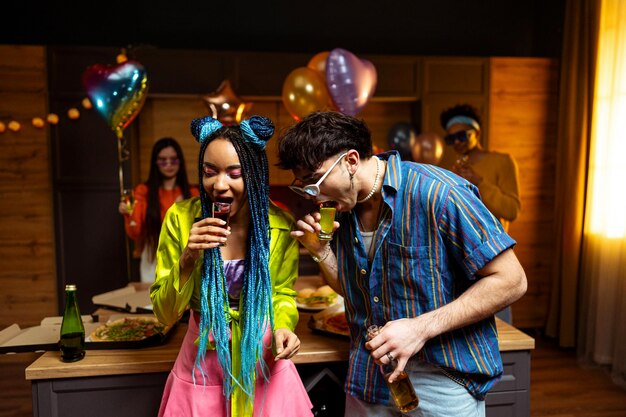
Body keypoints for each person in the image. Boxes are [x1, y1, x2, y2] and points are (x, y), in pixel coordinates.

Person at [277, 111, 527, 417]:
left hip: (442, 382)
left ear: (351, 161)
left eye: (315, 181)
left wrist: (420, 328)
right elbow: (354, 290)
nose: (314, 197)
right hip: (367, 380)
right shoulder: (341, 209)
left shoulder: (440, 194)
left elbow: (512, 280)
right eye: (303, 187)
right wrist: (322, 252)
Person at [150, 115, 313, 417]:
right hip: (202, 367)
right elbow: (164, 314)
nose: (219, 185)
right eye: (209, 172)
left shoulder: (278, 225)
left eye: (234, 173)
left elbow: (281, 294)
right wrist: (188, 258)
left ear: (253, 174)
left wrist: (284, 327)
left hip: (264, 364)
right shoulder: (180, 219)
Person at [118, 137, 199, 282]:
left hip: (186, 256)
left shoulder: (193, 193)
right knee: (153, 303)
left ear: (180, 161)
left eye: (173, 160)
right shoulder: (143, 192)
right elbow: (135, 232)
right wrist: (128, 215)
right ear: (155, 163)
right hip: (153, 257)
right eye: (163, 160)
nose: (168, 164)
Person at [440, 104, 521, 233]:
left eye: (461, 136)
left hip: (494, 247)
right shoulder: (454, 170)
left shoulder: (502, 161)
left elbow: (512, 211)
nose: (456, 142)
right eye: (451, 138)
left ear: (477, 133)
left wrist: (479, 182)